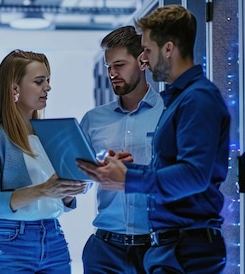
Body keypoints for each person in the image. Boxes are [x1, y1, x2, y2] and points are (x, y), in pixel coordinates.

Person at [77, 5, 230, 274]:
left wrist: (127, 178)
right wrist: (122, 171)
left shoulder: (197, 99)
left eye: (147, 50)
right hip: (170, 248)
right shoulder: (179, 100)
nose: (145, 58)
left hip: (186, 250)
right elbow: (168, 170)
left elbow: (194, 175)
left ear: (168, 49)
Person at [0, 49, 87, 274]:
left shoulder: (49, 133)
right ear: (15, 88)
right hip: (12, 240)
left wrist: (67, 192)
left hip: (53, 236)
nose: (48, 87)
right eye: (39, 81)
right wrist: (43, 190)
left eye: (48, 80)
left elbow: (55, 196)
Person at [79, 26, 163, 274]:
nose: (112, 73)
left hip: (155, 249)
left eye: (119, 65)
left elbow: (182, 177)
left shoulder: (169, 114)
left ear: (142, 61)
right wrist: (99, 171)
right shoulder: (93, 120)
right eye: (108, 67)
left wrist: (134, 173)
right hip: (104, 251)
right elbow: (78, 183)